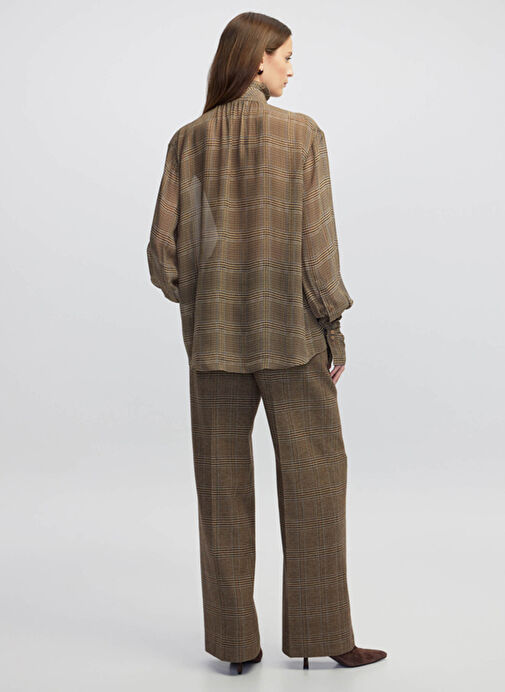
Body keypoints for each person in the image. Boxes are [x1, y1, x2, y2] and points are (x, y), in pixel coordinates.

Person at [146, 11, 387, 674]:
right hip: (291, 340)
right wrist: (332, 326)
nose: (290, 69)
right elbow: (317, 248)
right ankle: (322, 634)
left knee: (221, 493)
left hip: (213, 347)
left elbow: (164, 255)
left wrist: (204, 298)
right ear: (257, 60)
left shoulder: (187, 141)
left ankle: (235, 646)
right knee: (316, 482)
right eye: (285, 56)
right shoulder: (302, 135)